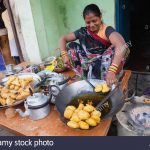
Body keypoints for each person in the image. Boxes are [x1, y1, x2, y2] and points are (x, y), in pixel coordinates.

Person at [59, 4, 130, 86]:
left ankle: (107, 79)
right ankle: (84, 77)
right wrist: (64, 55)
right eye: (88, 22)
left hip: (103, 65)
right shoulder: (83, 31)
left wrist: (112, 70)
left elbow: (121, 44)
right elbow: (63, 39)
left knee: (119, 49)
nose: (91, 25)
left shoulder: (106, 30)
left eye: (94, 21)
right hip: (87, 63)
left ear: (100, 17)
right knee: (71, 46)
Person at [1, 0, 20, 64]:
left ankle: (18, 63)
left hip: (10, 34)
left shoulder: (3, 14)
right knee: (17, 50)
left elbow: (6, 25)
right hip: (16, 33)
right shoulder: (13, 11)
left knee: (15, 52)